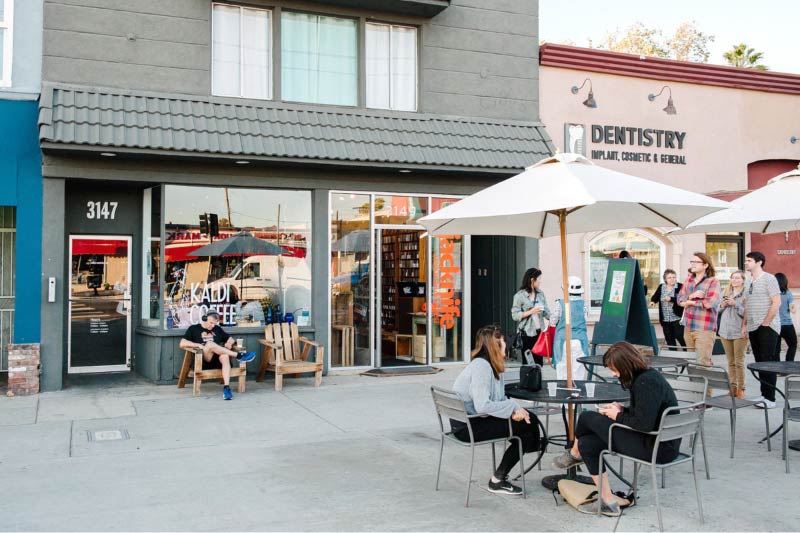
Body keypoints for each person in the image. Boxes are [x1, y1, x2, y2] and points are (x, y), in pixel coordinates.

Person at [552, 341, 680, 517]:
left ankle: (574, 454)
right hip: (655, 440)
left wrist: (617, 416)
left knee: (586, 417)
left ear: (625, 365)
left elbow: (643, 424)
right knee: (588, 444)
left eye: (614, 369)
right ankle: (608, 502)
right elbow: (646, 414)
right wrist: (622, 410)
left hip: (657, 447)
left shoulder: (645, 382)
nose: (613, 373)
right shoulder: (646, 377)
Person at [451, 325, 542, 495]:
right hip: (468, 427)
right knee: (529, 426)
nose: (506, 346)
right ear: (495, 346)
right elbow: (483, 405)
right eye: (503, 343)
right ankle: (498, 479)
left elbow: (497, 400)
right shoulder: (482, 367)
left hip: (471, 420)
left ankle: (530, 446)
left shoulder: (488, 365)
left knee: (528, 422)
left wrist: (515, 409)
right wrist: (512, 409)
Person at [179, 310, 256, 400]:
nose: (212, 326)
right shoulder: (194, 328)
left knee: (225, 356)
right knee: (210, 344)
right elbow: (182, 343)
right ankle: (239, 356)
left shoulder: (217, 329)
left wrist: (229, 343)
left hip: (217, 361)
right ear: (205, 319)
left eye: (214, 324)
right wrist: (198, 345)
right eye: (211, 323)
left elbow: (230, 338)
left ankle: (226, 388)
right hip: (203, 360)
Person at [742, 252, 781, 409]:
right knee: (759, 362)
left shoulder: (769, 278)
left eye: (749, 260)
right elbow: (747, 305)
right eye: (746, 260)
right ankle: (764, 395)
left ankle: (770, 398)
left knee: (768, 362)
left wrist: (766, 322)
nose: (746, 263)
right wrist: (744, 325)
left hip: (767, 326)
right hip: (752, 326)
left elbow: (776, 302)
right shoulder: (749, 281)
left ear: (759, 262)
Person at [677, 252, 721, 366]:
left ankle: (707, 384)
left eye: (696, 262)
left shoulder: (713, 281)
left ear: (705, 265)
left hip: (704, 328)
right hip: (688, 327)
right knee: (691, 363)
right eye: (692, 261)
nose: (693, 264)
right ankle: (694, 385)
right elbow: (679, 299)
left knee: (703, 363)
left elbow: (709, 303)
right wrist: (692, 296)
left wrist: (689, 302)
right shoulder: (688, 280)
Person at [550, 276, 590, 377]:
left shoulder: (560, 303)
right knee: (578, 372)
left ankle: (564, 392)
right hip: (580, 341)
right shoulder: (584, 304)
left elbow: (552, 321)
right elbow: (585, 318)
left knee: (562, 371)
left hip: (563, 340)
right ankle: (576, 391)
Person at [511, 268, 551, 365]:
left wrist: (555, 318)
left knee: (539, 363)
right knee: (528, 363)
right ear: (532, 279)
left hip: (539, 334)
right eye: (539, 278)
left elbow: (547, 313)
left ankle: (537, 380)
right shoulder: (519, 296)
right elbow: (515, 315)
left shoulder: (540, 294)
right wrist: (531, 311)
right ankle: (529, 380)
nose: (540, 281)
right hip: (527, 334)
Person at [717, 270, 747, 399]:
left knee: (739, 362)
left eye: (737, 278)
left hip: (739, 331)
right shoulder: (725, 292)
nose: (734, 280)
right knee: (730, 362)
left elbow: (747, 313)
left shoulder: (746, 294)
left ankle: (741, 388)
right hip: (725, 331)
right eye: (733, 278)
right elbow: (716, 310)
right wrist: (722, 305)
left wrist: (736, 305)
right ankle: (733, 387)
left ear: (743, 280)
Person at [650, 269, 686, 350]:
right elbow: (656, 296)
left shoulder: (680, 286)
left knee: (680, 337)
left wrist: (671, 299)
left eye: (674, 277)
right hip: (665, 318)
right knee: (669, 339)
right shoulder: (661, 286)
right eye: (669, 277)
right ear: (665, 279)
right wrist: (653, 301)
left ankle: (687, 351)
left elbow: (684, 299)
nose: (672, 279)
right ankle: (673, 355)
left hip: (677, 318)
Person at [775, 272, 797, 362]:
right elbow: (792, 309)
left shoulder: (772, 294)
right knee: (793, 344)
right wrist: (792, 308)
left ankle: (777, 368)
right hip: (787, 324)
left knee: (776, 348)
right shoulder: (788, 293)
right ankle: (788, 365)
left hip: (775, 324)